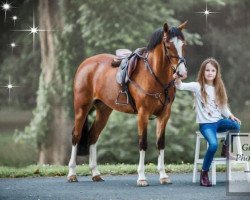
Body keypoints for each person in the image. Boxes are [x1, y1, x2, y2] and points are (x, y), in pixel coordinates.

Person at [174, 58, 241, 187]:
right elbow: (180, 86)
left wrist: (231, 115)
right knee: (213, 145)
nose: (210, 73)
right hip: (206, 125)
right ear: (203, 72)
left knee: (236, 125)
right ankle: (204, 173)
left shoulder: (218, 87)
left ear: (216, 73)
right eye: (207, 70)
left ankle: (226, 148)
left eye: (213, 70)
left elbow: (222, 108)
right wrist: (177, 77)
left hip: (219, 122)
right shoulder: (197, 86)